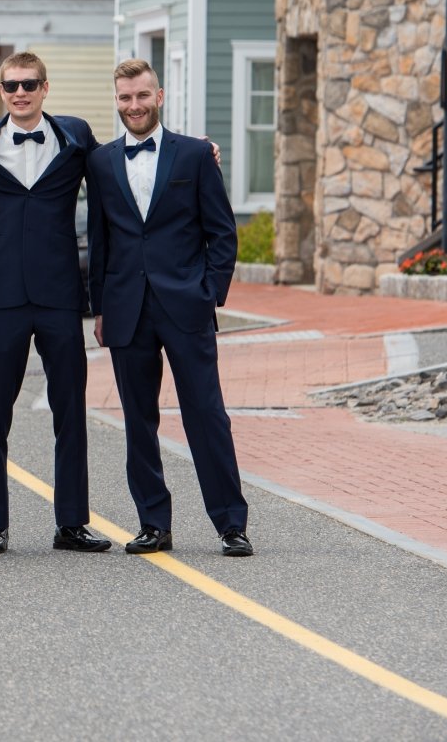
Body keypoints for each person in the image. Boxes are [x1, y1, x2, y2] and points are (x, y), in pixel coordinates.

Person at [87, 59, 251, 557]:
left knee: (206, 414)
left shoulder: (196, 154)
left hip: (186, 305)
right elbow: (100, 239)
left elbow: (222, 233)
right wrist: (99, 308)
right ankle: (153, 524)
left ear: (159, 97)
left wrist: (209, 294)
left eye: (141, 96)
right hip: (125, 308)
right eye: (124, 98)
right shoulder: (100, 162)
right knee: (139, 420)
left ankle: (230, 524)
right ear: (115, 100)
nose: (132, 105)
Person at [0, 51, 112, 556]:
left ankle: (71, 523)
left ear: (45, 88)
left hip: (60, 296)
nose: (19, 93)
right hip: (0, 295)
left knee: (70, 411)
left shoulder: (75, 136)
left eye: (29, 85)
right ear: (1, 91)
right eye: (11, 86)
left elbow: (117, 168)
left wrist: (196, 150)